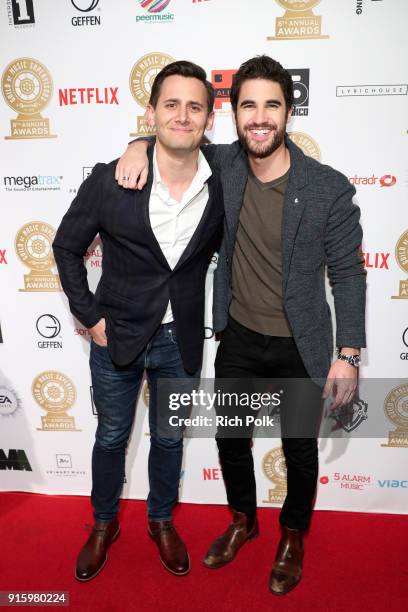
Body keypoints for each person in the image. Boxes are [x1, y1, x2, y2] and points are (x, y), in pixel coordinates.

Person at [115, 55, 366, 595]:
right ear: (232, 115)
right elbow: (172, 136)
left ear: (288, 113)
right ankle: (244, 521)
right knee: (232, 440)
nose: (259, 117)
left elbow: (347, 274)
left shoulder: (328, 188)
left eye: (271, 105)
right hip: (239, 337)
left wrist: (348, 354)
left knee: (298, 449)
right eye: (248, 104)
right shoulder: (224, 165)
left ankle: (292, 534)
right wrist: (136, 144)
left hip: (301, 345)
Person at [52, 61, 224, 581]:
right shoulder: (113, 178)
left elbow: (274, 151)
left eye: (194, 106)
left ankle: (160, 519)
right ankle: (104, 524)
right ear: (150, 112)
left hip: (182, 339)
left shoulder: (225, 178)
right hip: (117, 335)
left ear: (208, 118)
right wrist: (89, 316)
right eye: (170, 104)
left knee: (169, 440)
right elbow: (65, 247)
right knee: (111, 437)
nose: (182, 115)